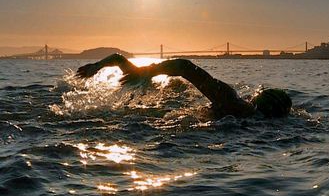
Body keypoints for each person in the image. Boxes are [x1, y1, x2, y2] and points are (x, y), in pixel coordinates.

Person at [76, 54, 292, 118]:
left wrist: (145, 72)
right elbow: (118, 58)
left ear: (256, 100)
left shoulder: (232, 101)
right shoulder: (257, 120)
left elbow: (184, 66)